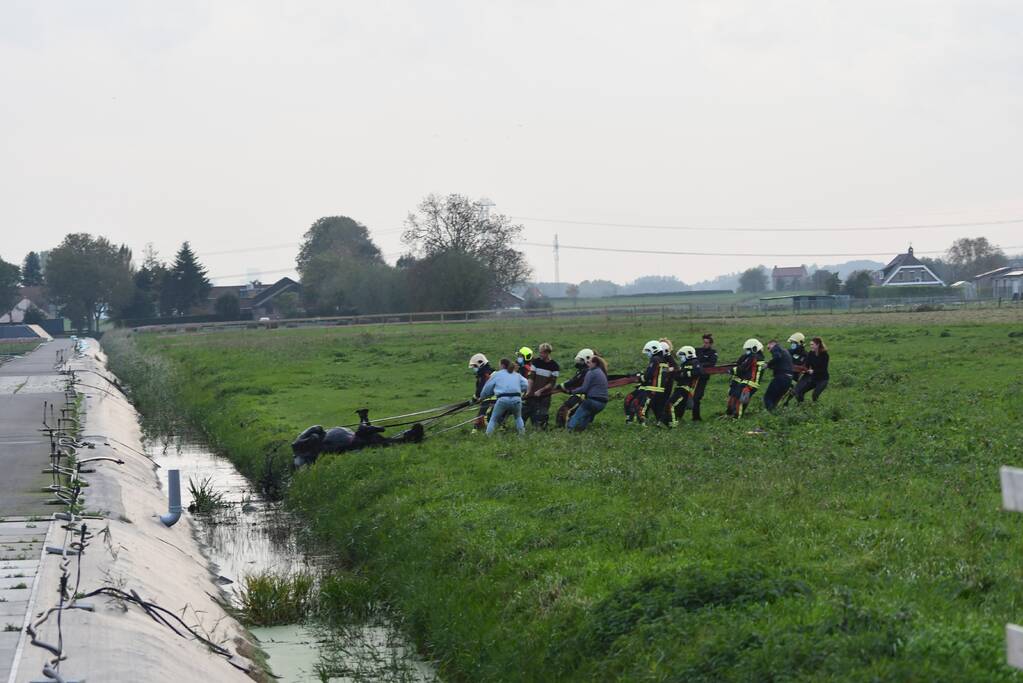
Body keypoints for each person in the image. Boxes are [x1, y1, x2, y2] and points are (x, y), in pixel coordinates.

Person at [291, 409, 424, 467]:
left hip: (346, 436)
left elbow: (317, 428)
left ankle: (365, 420)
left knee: (373, 439)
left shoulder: (303, 443)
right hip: (349, 440)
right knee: (375, 440)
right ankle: (408, 438)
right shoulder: (312, 455)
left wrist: (316, 435)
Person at [480, 358, 529, 435]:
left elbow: (487, 388)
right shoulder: (516, 374)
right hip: (516, 399)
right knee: (518, 418)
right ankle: (522, 435)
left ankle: (488, 436)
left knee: (493, 419)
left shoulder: (497, 374)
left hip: (503, 399)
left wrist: (483, 397)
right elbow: (526, 385)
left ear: (502, 365)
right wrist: (519, 390)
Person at [631, 339, 673, 425]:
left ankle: (641, 424)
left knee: (641, 408)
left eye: (648, 351)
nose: (647, 354)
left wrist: (640, 378)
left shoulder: (655, 359)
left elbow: (649, 375)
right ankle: (666, 424)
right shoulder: (664, 360)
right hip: (661, 390)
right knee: (658, 409)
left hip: (652, 390)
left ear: (654, 350)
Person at [565, 355, 609, 431]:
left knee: (576, 416)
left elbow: (584, 389)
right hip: (602, 404)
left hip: (593, 401)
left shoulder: (591, 372)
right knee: (585, 417)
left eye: (589, 362)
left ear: (595, 363)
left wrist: (571, 392)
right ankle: (579, 432)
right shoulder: (601, 372)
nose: (587, 364)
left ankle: (569, 430)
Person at [523, 342, 560, 428]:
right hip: (532, 393)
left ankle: (541, 428)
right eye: (539, 352)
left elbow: (552, 383)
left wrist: (540, 390)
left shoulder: (554, 366)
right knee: (525, 412)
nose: (540, 354)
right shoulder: (536, 362)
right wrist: (528, 391)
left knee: (542, 414)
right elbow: (531, 378)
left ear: (547, 353)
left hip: (545, 395)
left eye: (542, 353)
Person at [726, 338, 765, 418]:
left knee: (740, 400)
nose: (747, 351)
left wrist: (732, 370)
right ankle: (730, 414)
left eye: (748, 349)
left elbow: (743, 367)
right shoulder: (751, 356)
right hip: (746, 381)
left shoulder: (754, 357)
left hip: (750, 383)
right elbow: (740, 364)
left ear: (754, 349)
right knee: (734, 397)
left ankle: (737, 418)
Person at [556, 348, 593, 427]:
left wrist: (562, 386)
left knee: (564, 410)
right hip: (578, 394)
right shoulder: (582, 370)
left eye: (580, 360)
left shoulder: (586, 371)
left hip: (581, 396)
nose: (578, 362)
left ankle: (562, 428)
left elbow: (574, 381)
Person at [668, 345, 702, 425]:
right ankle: (677, 420)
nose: (681, 358)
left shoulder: (695, 362)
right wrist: (674, 374)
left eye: (682, 356)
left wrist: (684, 374)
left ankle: (671, 422)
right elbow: (679, 376)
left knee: (671, 404)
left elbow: (698, 372)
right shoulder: (683, 364)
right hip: (679, 387)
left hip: (686, 388)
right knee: (679, 406)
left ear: (688, 354)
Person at [794, 337, 830, 402]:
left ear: (818, 345)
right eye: (810, 344)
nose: (811, 346)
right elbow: (807, 365)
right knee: (800, 392)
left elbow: (823, 369)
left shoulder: (825, 355)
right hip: (814, 379)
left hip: (823, 380)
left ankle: (816, 407)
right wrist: (803, 370)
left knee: (814, 395)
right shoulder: (811, 353)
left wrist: (813, 371)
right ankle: (801, 405)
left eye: (812, 344)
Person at [763, 339, 794, 411]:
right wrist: (771, 366)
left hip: (781, 378)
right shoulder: (785, 351)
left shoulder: (776, 348)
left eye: (768, 348)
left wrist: (768, 364)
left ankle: (770, 414)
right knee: (775, 400)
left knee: (768, 398)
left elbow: (777, 357)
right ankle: (774, 413)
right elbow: (781, 363)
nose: (769, 350)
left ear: (772, 344)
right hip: (789, 379)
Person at [692, 333, 717, 421]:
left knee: (697, 397)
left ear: (711, 344)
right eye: (704, 342)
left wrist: (699, 365)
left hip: (703, 377)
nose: (705, 344)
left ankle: (696, 417)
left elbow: (712, 363)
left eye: (707, 343)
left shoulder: (713, 352)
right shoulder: (697, 350)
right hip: (693, 376)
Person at [469, 353, 494, 431]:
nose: (474, 368)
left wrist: (474, 399)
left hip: (491, 400)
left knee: (482, 417)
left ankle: (488, 434)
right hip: (489, 399)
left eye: (475, 366)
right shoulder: (488, 372)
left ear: (480, 364)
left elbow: (481, 389)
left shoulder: (485, 375)